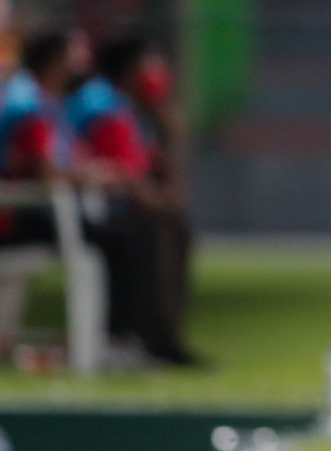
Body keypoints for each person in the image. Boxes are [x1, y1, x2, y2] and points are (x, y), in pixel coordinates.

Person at [0, 28, 193, 366]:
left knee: (149, 228)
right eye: (74, 53)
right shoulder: (31, 104)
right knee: (129, 238)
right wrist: (87, 175)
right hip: (20, 216)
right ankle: (121, 338)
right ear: (55, 60)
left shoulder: (46, 101)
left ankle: (141, 339)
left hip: (42, 209)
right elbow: (39, 170)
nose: (83, 62)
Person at [67, 33, 195, 361]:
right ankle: (138, 338)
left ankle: (159, 337)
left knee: (172, 224)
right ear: (129, 69)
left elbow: (161, 178)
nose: (160, 73)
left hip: (103, 205)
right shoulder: (104, 107)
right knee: (154, 229)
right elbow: (130, 182)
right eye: (150, 64)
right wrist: (164, 201)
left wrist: (170, 131)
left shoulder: (130, 111)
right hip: (81, 209)